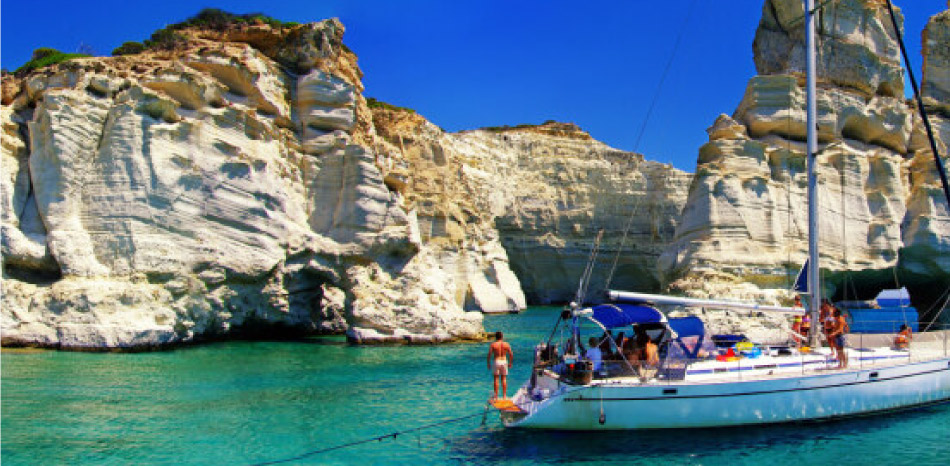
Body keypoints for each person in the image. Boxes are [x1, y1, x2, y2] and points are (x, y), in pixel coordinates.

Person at [487, 331, 513, 400]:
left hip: (497, 361)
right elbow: (511, 354)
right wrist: (510, 363)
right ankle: (504, 396)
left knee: (496, 379)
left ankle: (496, 396)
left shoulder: (493, 345)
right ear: (502, 336)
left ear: (496, 337)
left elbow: (489, 355)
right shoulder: (506, 344)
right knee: (504, 378)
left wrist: (488, 363)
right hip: (504, 361)